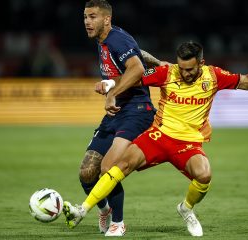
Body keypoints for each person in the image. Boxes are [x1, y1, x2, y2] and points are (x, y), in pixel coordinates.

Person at [63, 42, 248, 236]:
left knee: (204, 175)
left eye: (190, 69)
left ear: (201, 63)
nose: (184, 73)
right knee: (119, 165)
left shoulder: (214, 76)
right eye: (181, 68)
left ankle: (186, 209)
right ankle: (83, 210)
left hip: (188, 143)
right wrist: (109, 84)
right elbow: (134, 77)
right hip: (159, 135)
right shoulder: (167, 72)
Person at [69, 0, 164, 236]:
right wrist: (159, 62)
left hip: (136, 110)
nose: (87, 22)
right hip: (117, 112)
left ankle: (118, 223)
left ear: (106, 19)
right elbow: (138, 55)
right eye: (84, 17)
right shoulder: (105, 40)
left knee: (108, 167)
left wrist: (112, 92)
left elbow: (136, 69)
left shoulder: (116, 39)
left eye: (92, 17)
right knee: (86, 172)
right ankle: (105, 210)